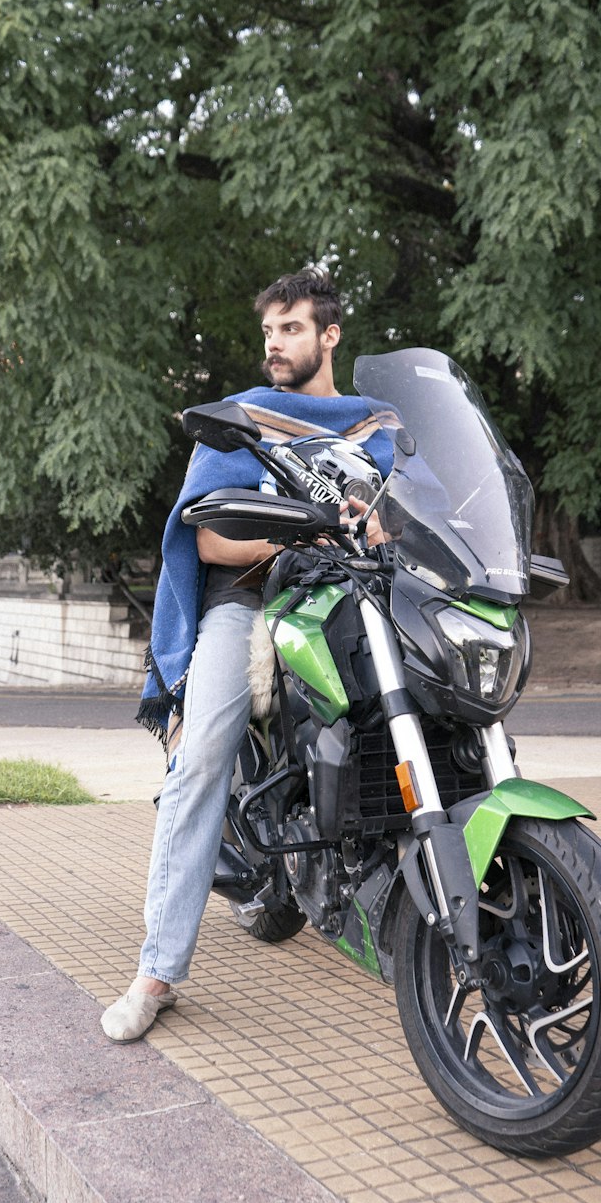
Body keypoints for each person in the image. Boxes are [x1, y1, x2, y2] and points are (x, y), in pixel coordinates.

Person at [101, 267, 398, 1042]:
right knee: (200, 758)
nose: (276, 343)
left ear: (330, 335)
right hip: (254, 603)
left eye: (292, 328)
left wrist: (380, 530)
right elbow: (207, 536)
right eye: (270, 330)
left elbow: (410, 515)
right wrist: (306, 532)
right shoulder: (248, 418)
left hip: (354, 598)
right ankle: (157, 971)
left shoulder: (376, 428)